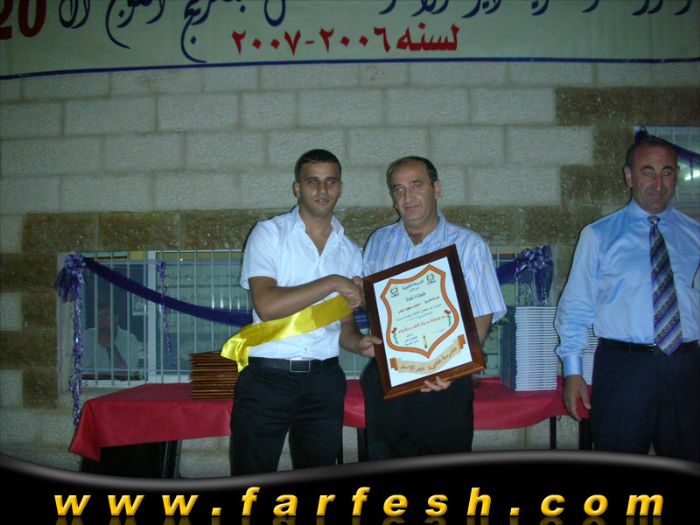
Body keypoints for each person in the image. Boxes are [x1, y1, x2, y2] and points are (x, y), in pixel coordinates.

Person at [230, 149, 378, 475]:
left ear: (340, 187)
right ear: (297, 188)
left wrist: (358, 342)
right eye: (312, 181)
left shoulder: (350, 251)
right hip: (267, 379)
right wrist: (333, 282)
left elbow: (345, 323)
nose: (322, 190)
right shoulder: (269, 234)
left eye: (330, 181)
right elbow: (267, 306)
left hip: (324, 382)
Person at [555, 135, 700, 461]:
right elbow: (576, 307)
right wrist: (572, 371)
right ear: (629, 176)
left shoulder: (695, 236)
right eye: (648, 172)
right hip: (624, 369)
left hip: (686, 368)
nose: (658, 183)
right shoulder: (599, 235)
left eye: (666, 172)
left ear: (676, 176)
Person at [361, 156, 506, 459]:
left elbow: (483, 313)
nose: (407, 197)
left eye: (416, 185)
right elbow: (373, 304)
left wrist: (454, 368)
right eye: (398, 189)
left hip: (446, 384)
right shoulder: (378, 242)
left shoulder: (469, 245)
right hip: (389, 382)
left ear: (436, 189)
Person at [82, 303, 144, 379]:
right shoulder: (88, 336)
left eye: (107, 316)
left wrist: (110, 347)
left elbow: (125, 375)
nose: (103, 321)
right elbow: (83, 371)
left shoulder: (129, 339)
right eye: (99, 318)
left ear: (116, 318)